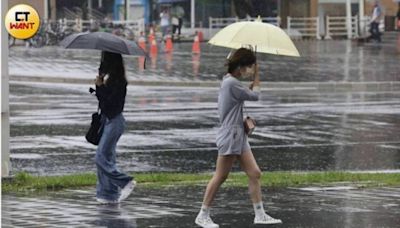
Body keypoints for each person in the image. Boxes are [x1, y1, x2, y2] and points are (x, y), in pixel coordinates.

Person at [194, 48, 282, 228]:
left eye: (252, 67)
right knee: (220, 176)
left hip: (238, 135)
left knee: (255, 173)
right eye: (249, 67)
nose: (250, 70)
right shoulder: (231, 83)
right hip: (230, 135)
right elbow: (256, 96)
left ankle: (260, 214)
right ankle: (203, 215)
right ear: (240, 66)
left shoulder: (230, 82)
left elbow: (243, 96)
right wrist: (257, 76)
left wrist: (249, 85)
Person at [94, 51, 135, 204]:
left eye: (105, 60)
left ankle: (125, 182)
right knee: (108, 157)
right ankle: (107, 194)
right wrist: (99, 85)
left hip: (114, 121)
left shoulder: (118, 82)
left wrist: (100, 88)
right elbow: (103, 102)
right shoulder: (111, 79)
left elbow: (110, 106)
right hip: (107, 121)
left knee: (100, 157)